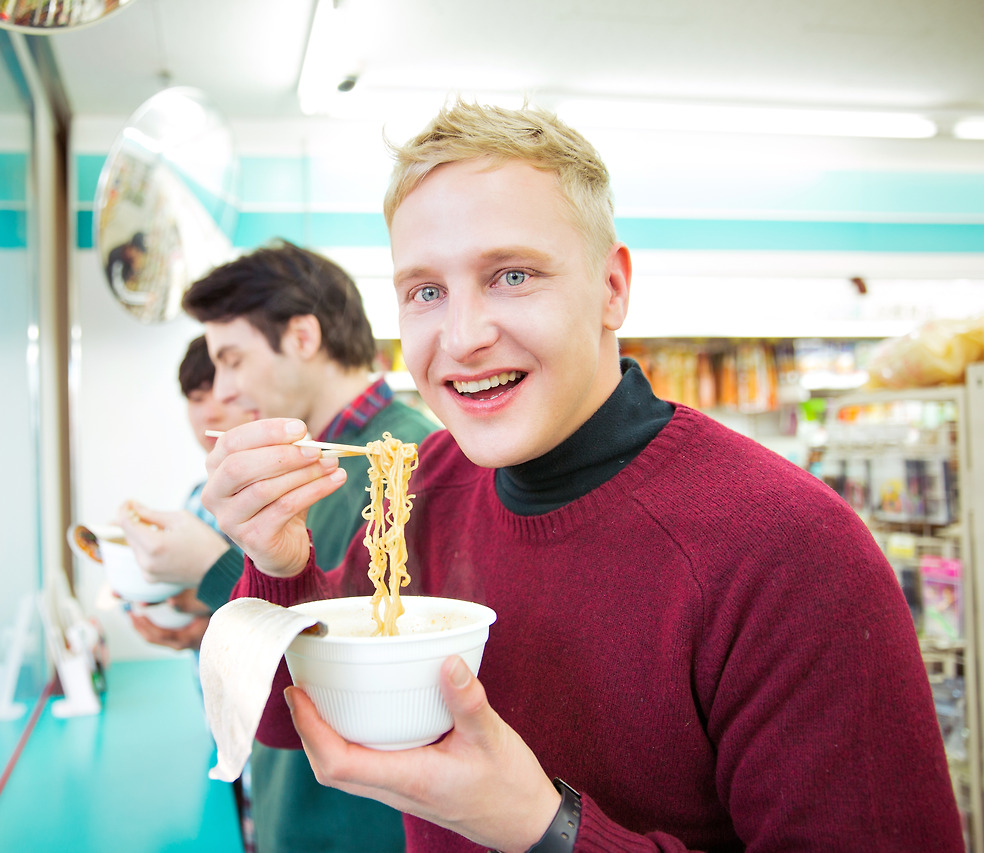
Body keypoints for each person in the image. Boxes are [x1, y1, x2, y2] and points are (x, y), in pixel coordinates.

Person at [200, 102, 964, 853]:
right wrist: (278, 563)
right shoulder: (423, 487)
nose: (462, 337)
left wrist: (544, 828)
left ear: (612, 289)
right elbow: (286, 720)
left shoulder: (788, 547)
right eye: (426, 291)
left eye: (511, 275)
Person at [178, 240, 439, 853]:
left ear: (302, 337)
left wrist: (209, 569)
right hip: (293, 809)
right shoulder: (312, 459)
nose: (227, 390)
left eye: (233, 359)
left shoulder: (405, 462)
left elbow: (352, 662)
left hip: (350, 823)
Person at [119, 335, 253, 652]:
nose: (210, 414)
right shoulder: (197, 497)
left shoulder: (286, 494)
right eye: (196, 398)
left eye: (225, 396)